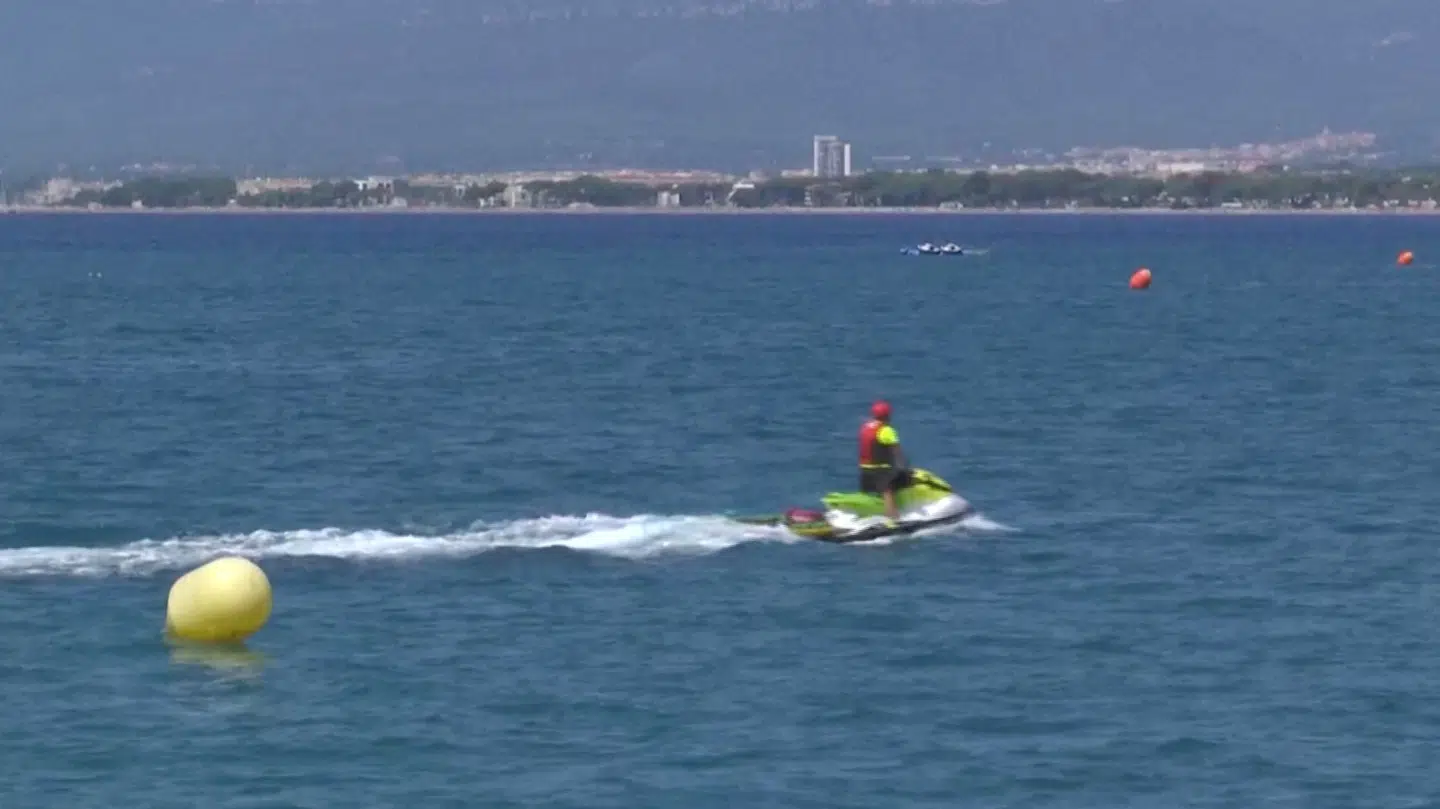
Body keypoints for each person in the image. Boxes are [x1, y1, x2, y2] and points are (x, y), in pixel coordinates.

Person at [858, 399, 910, 521]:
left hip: (864, 470)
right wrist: (904, 466)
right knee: (888, 491)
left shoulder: (865, 427)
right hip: (881, 469)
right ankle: (893, 519)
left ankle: (868, 514)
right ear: (888, 415)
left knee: (876, 490)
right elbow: (897, 451)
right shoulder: (887, 430)